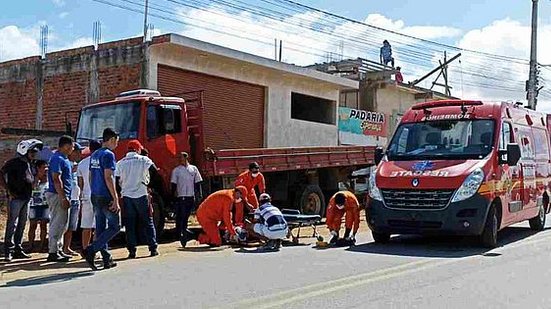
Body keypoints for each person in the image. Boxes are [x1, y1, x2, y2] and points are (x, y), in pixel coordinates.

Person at [83, 128, 120, 270]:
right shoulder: (108, 155)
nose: (117, 143)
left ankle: (106, 258)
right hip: (106, 195)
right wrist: (115, 198)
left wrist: (93, 191)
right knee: (115, 226)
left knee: (100, 227)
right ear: (111, 139)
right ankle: (91, 250)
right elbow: (109, 177)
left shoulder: (94, 154)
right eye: (116, 140)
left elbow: (91, 175)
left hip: (96, 195)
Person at [1, 139, 43, 261]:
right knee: (12, 224)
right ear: (24, 151)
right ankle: (8, 250)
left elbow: (33, 179)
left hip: (27, 196)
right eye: (32, 152)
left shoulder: (31, 163)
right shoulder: (14, 163)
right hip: (16, 197)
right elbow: (1, 173)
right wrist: (8, 190)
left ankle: (18, 249)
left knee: (22, 224)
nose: (34, 154)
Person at [115, 140, 159, 258]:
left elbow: (116, 181)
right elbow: (155, 173)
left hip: (127, 196)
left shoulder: (120, 163)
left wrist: (119, 193)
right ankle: (153, 248)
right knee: (148, 222)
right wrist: (149, 185)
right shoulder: (144, 160)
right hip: (141, 194)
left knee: (130, 224)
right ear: (138, 149)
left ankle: (132, 250)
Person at [46, 136, 75, 262]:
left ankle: (58, 249)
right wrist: (63, 197)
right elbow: (56, 179)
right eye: (71, 146)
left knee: (63, 224)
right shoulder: (57, 158)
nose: (72, 149)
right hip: (57, 195)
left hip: (63, 194)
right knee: (57, 223)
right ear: (66, 146)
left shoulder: (64, 159)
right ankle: (53, 251)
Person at [171, 152, 203, 247]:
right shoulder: (176, 170)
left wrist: (199, 194)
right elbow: (173, 184)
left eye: (181, 158)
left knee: (187, 214)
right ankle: (181, 232)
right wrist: (173, 196)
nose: (180, 160)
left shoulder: (193, 169)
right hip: (181, 196)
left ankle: (183, 231)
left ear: (186, 158)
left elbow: (197, 182)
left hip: (190, 195)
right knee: (181, 215)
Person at [77, 140, 102, 250]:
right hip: (100, 196)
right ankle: (95, 249)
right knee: (98, 225)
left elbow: (80, 183)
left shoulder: (82, 163)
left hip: (86, 197)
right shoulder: (102, 161)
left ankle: (85, 248)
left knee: (86, 225)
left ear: (90, 149)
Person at [62, 142, 84, 256]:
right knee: (63, 226)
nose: (79, 154)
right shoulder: (66, 163)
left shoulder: (77, 165)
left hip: (76, 199)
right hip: (68, 199)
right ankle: (59, 248)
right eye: (77, 152)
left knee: (72, 226)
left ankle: (67, 247)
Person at [28, 160, 49, 253]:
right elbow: (31, 188)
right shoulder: (33, 178)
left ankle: (42, 245)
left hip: (45, 205)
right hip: (34, 205)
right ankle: (30, 245)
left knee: (43, 225)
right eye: (44, 167)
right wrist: (37, 180)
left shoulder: (48, 179)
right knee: (33, 225)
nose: (46, 169)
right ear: (38, 168)